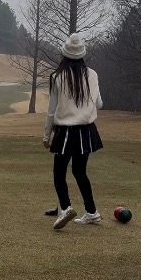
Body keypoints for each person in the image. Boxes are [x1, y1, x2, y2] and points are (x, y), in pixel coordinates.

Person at [43, 32, 103, 230]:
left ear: (65, 54)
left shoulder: (57, 77)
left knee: (59, 173)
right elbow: (99, 104)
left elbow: (51, 111)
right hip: (86, 131)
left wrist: (46, 135)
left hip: (66, 131)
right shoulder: (93, 74)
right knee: (80, 172)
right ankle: (92, 212)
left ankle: (66, 208)